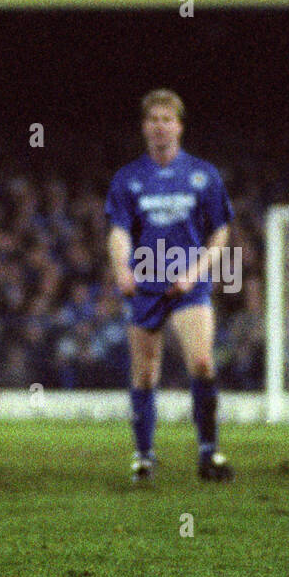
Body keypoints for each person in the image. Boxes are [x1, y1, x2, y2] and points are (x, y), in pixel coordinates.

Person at [105, 89, 235, 483]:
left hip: (189, 284)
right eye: (153, 120)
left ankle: (208, 453)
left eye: (167, 119)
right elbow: (118, 231)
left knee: (201, 362)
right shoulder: (128, 179)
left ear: (179, 126)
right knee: (145, 373)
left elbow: (220, 232)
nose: (160, 126)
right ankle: (144, 456)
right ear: (144, 128)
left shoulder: (203, 175)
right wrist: (121, 270)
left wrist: (196, 273)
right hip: (145, 284)